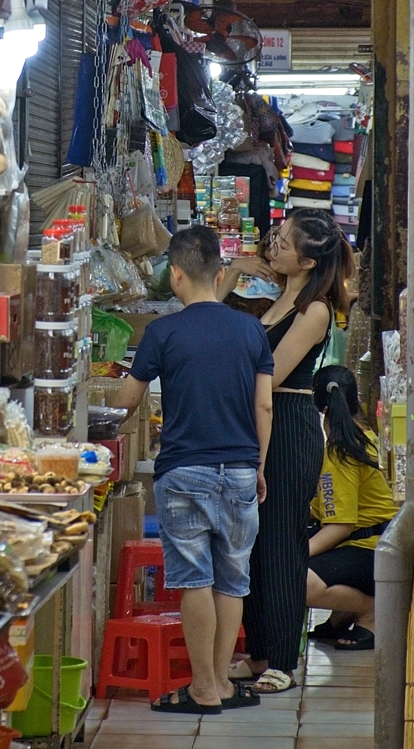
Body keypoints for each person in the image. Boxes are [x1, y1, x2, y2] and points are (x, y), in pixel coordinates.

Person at [119, 225, 275, 714]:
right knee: (232, 580)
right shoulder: (251, 330)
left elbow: (127, 402)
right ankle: (223, 683)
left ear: (176, 275)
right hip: (241, 470)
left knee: (194, 580)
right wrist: (258, 466)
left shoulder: (162, 332)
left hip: (184, 471)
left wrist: (95, 421)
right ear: (221, 274)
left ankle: (203, 688)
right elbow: (264, 406)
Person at [219, 208, 355, 694]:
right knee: (255, 545)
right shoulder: (278, 297)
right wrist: (234, 271)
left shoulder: (314, 310)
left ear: (307, 261)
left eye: (283, 241)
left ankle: (282, 660)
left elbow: (272, 374)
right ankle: (258, 652)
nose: (273, 245)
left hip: (290, 427)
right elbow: (211, 316)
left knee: (281, 544)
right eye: (276, 237)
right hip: (261, 422)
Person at [304, 364, 394, 651]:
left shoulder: (341, 452)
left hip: (368, 550)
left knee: (294, 579)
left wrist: (295, 554)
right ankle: (343, 612)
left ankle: (369, 610)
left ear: (321, 409)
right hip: (381, 545)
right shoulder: (366, 436)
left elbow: (340, 526)